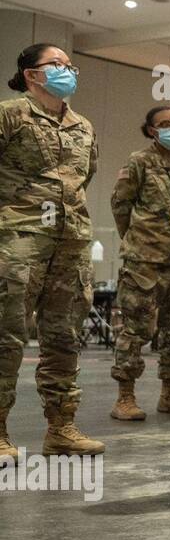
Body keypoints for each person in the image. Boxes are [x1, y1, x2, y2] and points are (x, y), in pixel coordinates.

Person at [0, 44, 104, 461]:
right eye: (56, 65)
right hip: (18, 239)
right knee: (6, 337)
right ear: (31, 74)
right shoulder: (10, 114)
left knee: (64, 338)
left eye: (69, 65)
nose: (67, 71)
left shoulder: (83, 126)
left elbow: (85, 176)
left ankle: (61, 428)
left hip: (71, 241)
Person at [108, 106, 170, 421]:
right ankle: (125, 397)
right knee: (135, 330)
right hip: (144, 261)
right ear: (151, 130)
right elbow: (121, 204)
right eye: (164, 124)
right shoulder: (139, 162)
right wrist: (136, 240)